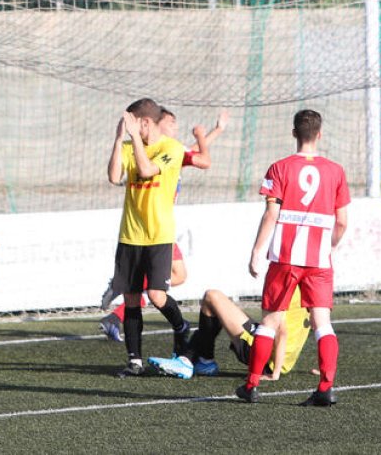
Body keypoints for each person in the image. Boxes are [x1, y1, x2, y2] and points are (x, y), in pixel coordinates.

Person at [236, 109, 349, 407]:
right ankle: (325, 388)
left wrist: (257, 251)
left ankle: (251, 385)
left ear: (294, 133)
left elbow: (271, 214)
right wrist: (329, 246)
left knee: (270, 321)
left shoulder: (279, 168)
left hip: (285, 258)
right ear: (320, 134)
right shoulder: (335, 171)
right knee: (322, 323)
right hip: (319, 260)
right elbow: (342, 222)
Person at [99, 108, 229, 342]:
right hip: (155, 227)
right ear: (157, 124)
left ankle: (119, 300)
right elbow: (203, 157)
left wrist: (216, 130)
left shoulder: (171, 151)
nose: (175, 127)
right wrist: (201, 135)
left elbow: (197, 153)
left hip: (161, 225)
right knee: (167, 282)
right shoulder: (160, 150)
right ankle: (121, 310)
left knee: (174, 278)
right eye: (171, 122)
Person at [106, 98, 192, 377]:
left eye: (133, 122)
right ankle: (135, 361)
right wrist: (120, 140)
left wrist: (133, 138)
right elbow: (113, 176)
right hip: (130, 235)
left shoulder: (171, 148)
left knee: (156, 295)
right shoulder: (130, 146)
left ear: (144, 122)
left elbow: (146, 170)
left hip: (158, 235)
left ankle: (181, 327)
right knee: (131, 298)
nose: (130, 127)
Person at [147, 286, 310, 380]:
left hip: (263, 355)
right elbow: (320, 324)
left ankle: (188, 361)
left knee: (212, 297)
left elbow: (282, 332)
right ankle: (202, 361)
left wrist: (274, 373)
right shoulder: (313, 279)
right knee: (220, 307)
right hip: (282, 359)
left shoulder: (288, 278)